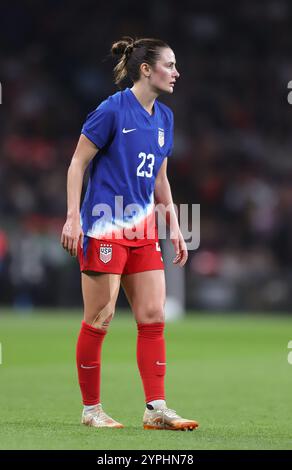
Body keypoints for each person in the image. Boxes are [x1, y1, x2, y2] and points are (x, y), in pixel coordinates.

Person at [61, 36, 199, 431]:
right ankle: (91, 411)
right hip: (104, 227)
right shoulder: (112, 109)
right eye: (170, 65)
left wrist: (173, 224)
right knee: (100, 318)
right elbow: (77, 164)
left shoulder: (165, 118)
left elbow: (160, 178)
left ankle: (156, 409)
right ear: (146, 69)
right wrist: (73, 218)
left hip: (142, 230)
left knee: (153, 315)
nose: (176, 73)